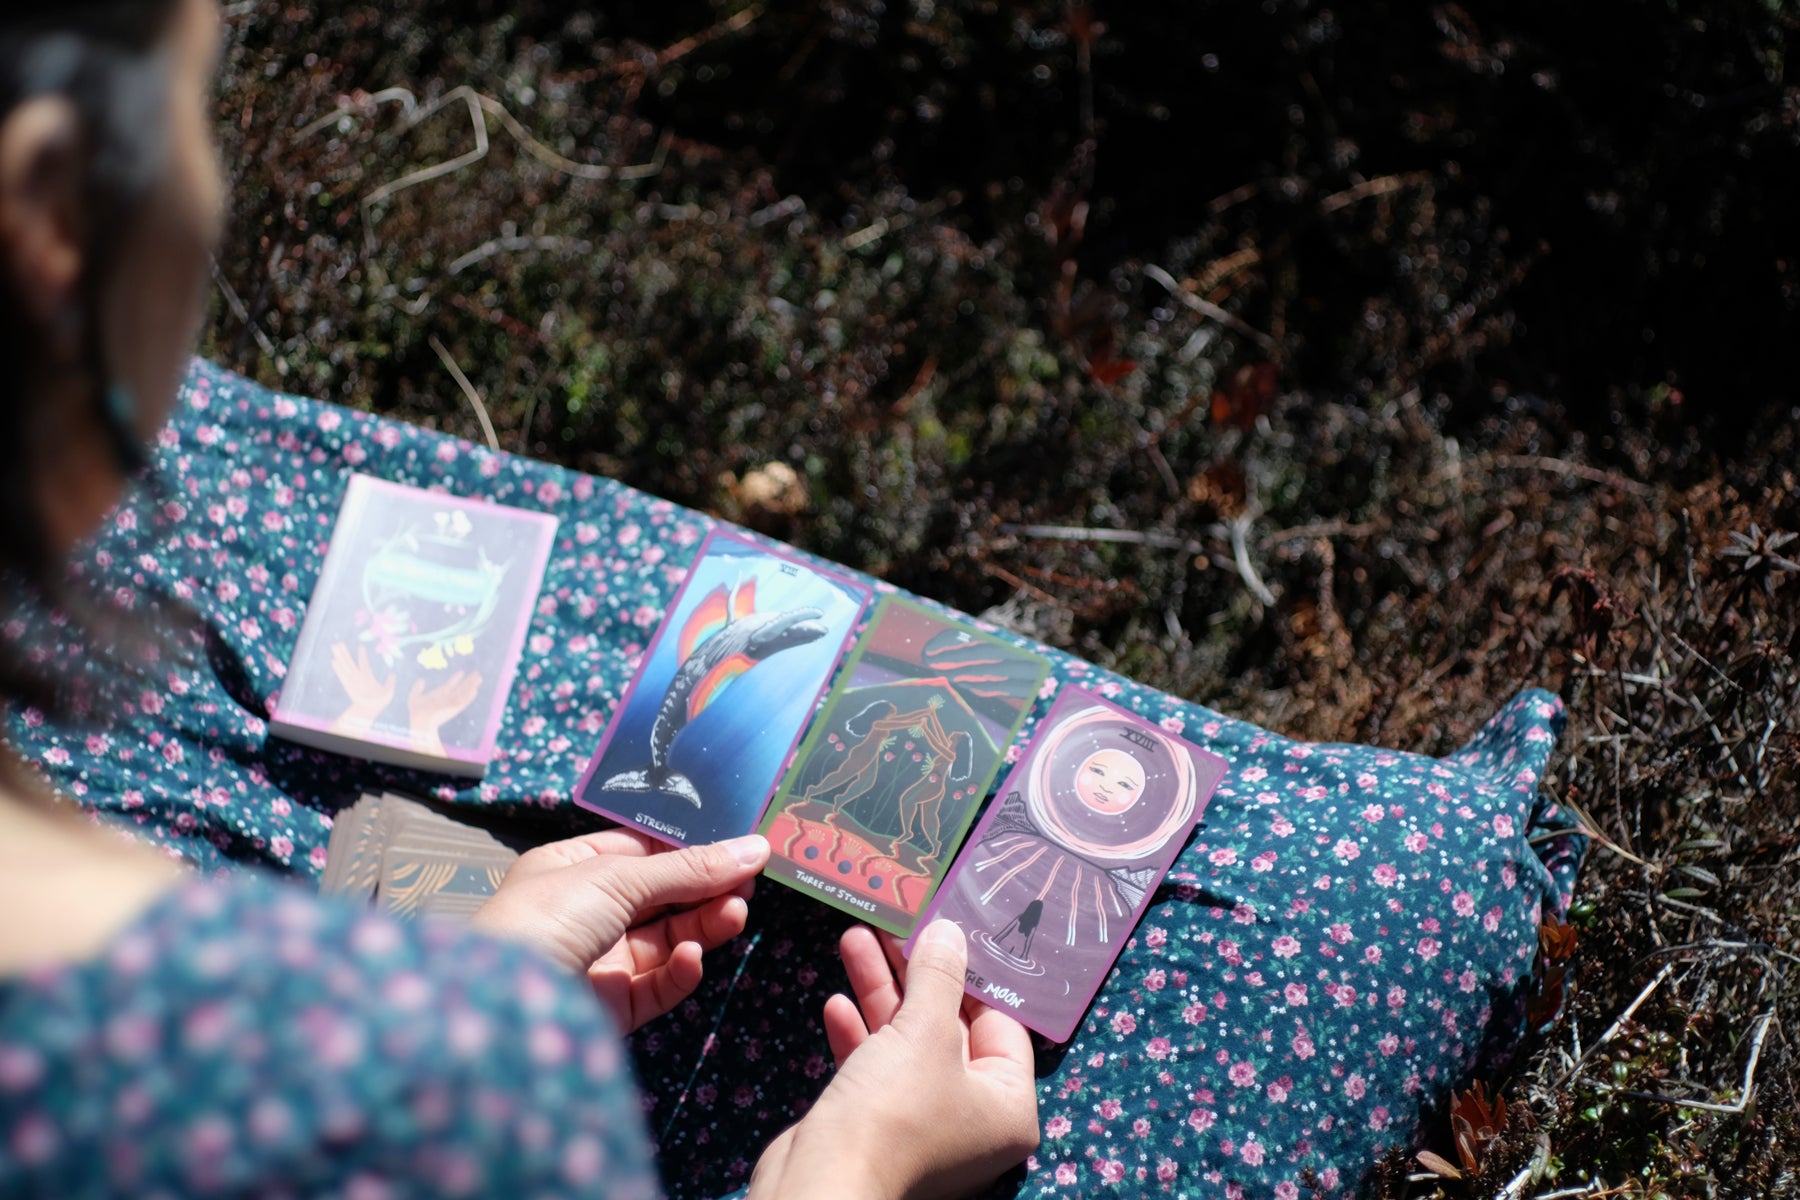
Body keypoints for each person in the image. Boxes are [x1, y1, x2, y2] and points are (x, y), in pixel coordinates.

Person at [0, 2, 1038, 1195]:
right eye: (200, 98)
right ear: (47, 214)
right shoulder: (398, 1086)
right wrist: (849, 1167)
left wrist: (475, 993)